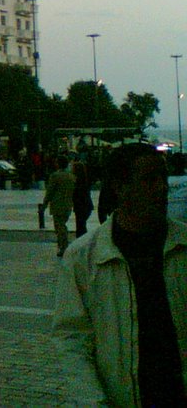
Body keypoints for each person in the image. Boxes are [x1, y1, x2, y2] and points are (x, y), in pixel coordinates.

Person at [52, 142, 187, 406]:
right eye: (149, 180)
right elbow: (72, 339)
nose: (161, 188)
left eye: (163, 178)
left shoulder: (183, 247)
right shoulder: (83, 258)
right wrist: (92, 401)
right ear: (120, 187)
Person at [42, 156, 75, 257]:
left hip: (57, 204)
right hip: (68, 204)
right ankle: (62, 245)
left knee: (60, 227)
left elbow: (50, 191)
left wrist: (44, 204)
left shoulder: (55, 176)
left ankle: (63, 246)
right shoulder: (71, 176)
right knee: (62, 225)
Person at [71, 159, 93, 238]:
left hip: (81, 206)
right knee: (82, 226)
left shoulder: (77, 182)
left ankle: (82, 241)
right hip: (86, 206)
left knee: (80, 226)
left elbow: (77, 195)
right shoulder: (85, 179)